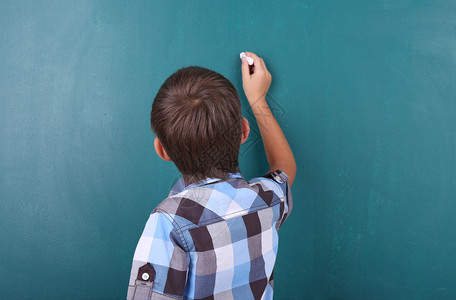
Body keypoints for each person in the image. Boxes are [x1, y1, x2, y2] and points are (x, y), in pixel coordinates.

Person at [127, 52, 296, 300]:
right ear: (244, 131)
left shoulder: (167, 223)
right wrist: (258, 99)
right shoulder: (267, 200)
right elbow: (284, 166)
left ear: (162, 150)